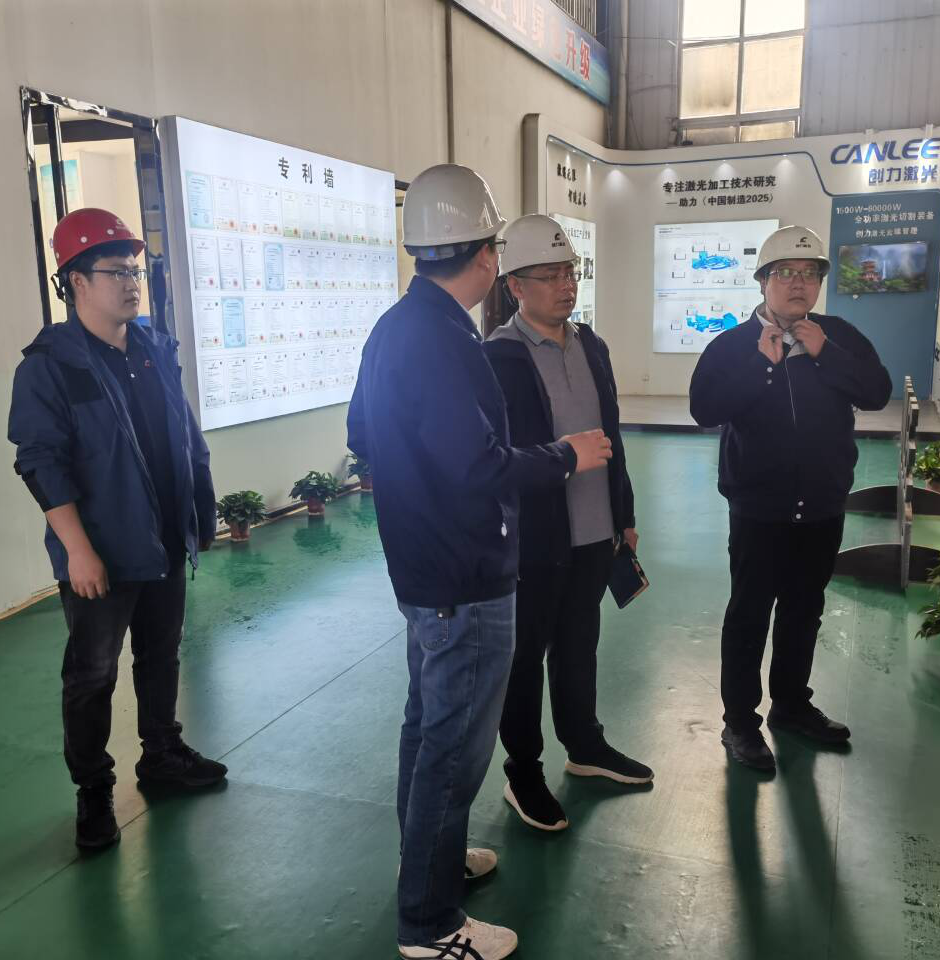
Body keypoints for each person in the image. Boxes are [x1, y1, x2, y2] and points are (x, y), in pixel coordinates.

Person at [347, 165, 612, 960]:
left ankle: (429, 858)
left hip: (426, 571)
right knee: (454, 746)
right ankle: (430, 923)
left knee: (427, 725)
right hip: (463, 578)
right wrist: (566, 456)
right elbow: (479, 467)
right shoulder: (444, 340)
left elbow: (363, 435)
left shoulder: (400, 327)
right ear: (489, 257)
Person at [8, 208, 225, 851]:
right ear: (76, 281)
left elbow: (185, 433)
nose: (132, 283)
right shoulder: (52, 364)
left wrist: (200, 509)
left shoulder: (155, 347)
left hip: (163, 538)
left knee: (161, 654)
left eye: (135, 270)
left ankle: (161, 755)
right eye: (116, 272)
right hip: (102, 550)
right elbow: (39, 462)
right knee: (93, 676)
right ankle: (93, 790)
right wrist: (78, 550)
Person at [689, 225, 892, 773]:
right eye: (785, 273)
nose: (799, 283)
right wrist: (762, 365)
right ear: (763, 281)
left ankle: (791, 705)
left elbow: (877, 391)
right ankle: (739, 722)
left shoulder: (839, 336)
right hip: (759, 509)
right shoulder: (732, 345)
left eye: (809, 273)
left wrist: (826, 355)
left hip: (822, 505)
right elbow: (705, 408)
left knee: (804, 610)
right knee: (750, 614)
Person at [482, 215, 652, 835]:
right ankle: (523, 770)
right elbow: (496, 461)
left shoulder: (591, 345)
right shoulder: (498, 358)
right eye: (549, 276)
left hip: (594, 532)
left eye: (569, 273)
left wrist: (623, 514)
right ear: (515, 286)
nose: (565, 285)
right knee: (525, 658)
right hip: (535, 541)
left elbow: (613, 437)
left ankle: (585, 745)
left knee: (580, 645)